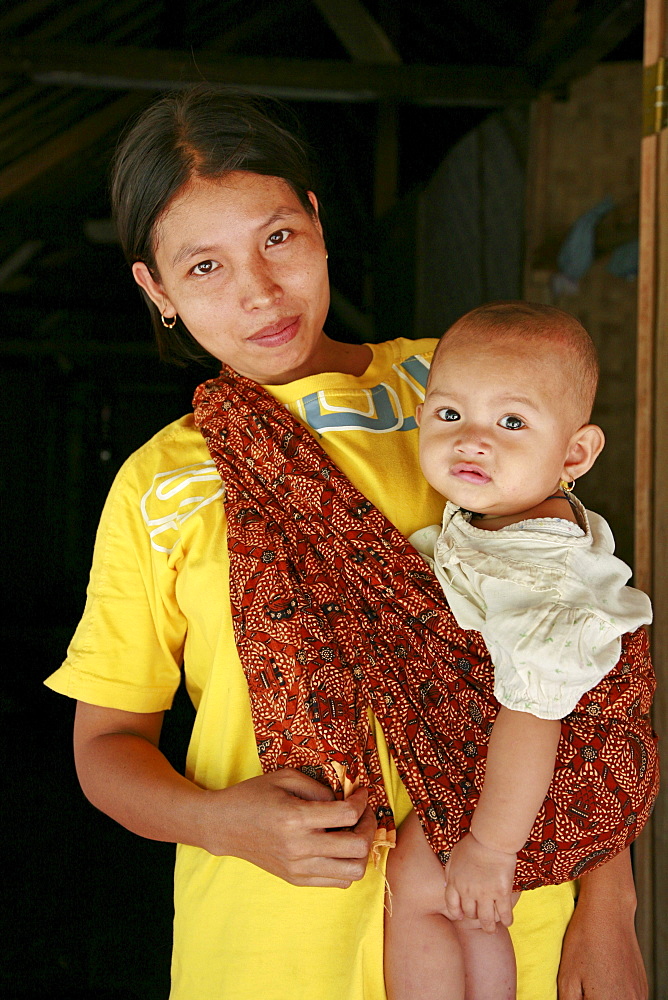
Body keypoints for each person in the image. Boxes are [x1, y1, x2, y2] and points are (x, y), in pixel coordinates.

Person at [44, 88, 650, 1000]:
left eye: (277, 238)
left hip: (502, 913)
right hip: (268, 946)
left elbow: (578, 648)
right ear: (156, 291)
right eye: (203, 267)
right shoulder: (155, 487)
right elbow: (106, 748)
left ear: (318, 223)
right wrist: (221, 824)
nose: (257, 291)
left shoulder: (459, 399)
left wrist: (611, 912)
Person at [384, 302, 657, 1000]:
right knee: (466, 907)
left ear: (574, 455)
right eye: (449, 416)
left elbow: (535, 711)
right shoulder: (513, 512)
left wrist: (490, 849)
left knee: (423, 880)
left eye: (511, 423)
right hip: (537, 769)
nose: (473, 442)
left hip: (554, 779)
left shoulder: (539, 574)